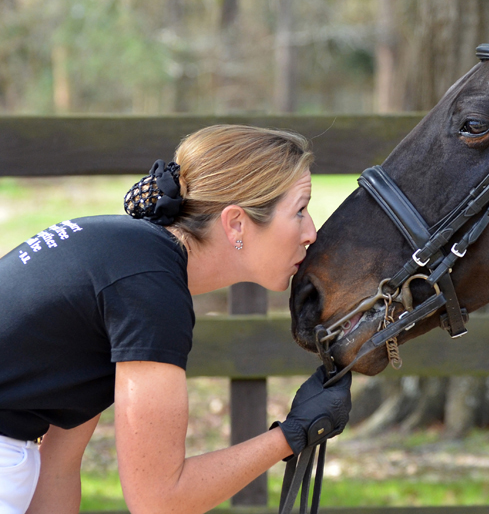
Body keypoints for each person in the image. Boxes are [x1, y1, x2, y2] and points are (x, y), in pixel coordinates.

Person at [0, 125, 352, 514]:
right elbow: (160, 501)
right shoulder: (148, 289)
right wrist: (294, 434)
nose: (311, 232)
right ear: (236, 224)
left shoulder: (128, 257)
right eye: (299, 210)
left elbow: (57, 468)